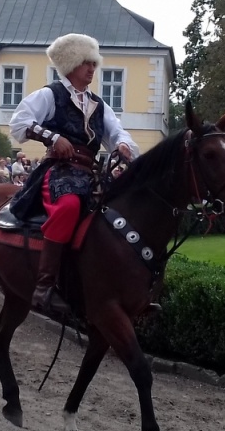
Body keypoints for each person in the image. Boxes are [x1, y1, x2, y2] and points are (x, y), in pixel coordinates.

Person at [8, 33, 138, 314]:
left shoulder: (98, 104)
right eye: (86, 63)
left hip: (91, 173)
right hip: (58, 171)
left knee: (115, 216)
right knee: (68, 207)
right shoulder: (50, 94)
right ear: (71, 64)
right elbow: (19, 123)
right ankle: (45, 285)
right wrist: (53, 138)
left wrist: (125, 145)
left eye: (94, 63)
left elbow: (116, 133)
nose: (92, 69)